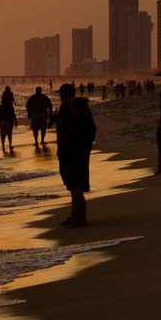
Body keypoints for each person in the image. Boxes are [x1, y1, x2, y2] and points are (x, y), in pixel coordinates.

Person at [53, 83, 96, 227]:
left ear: (68, 94)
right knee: (73, 187)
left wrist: (82, 148)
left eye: (62, 94)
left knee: (76, 186)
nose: (60, 96)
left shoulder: (78, 109)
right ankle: (75, 216)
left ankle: (80, 219)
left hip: (74, 153)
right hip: (67, 152)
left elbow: (88, 132)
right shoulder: (65, 109)